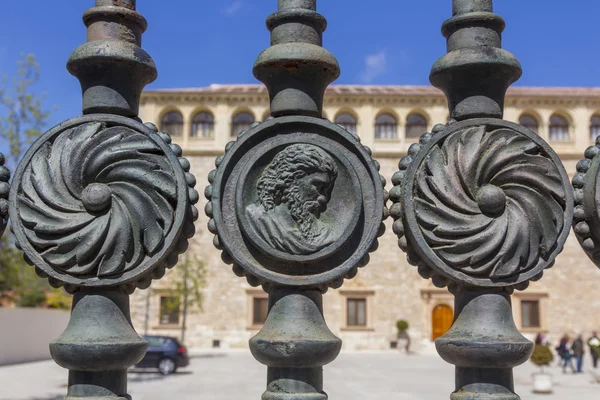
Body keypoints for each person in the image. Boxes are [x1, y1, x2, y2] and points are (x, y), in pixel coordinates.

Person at [247, 144, 338, 255]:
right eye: (319, 186)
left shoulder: (325, 235)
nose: (323, 198)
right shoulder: (255, 219)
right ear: (290, 179)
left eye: (326, 190)